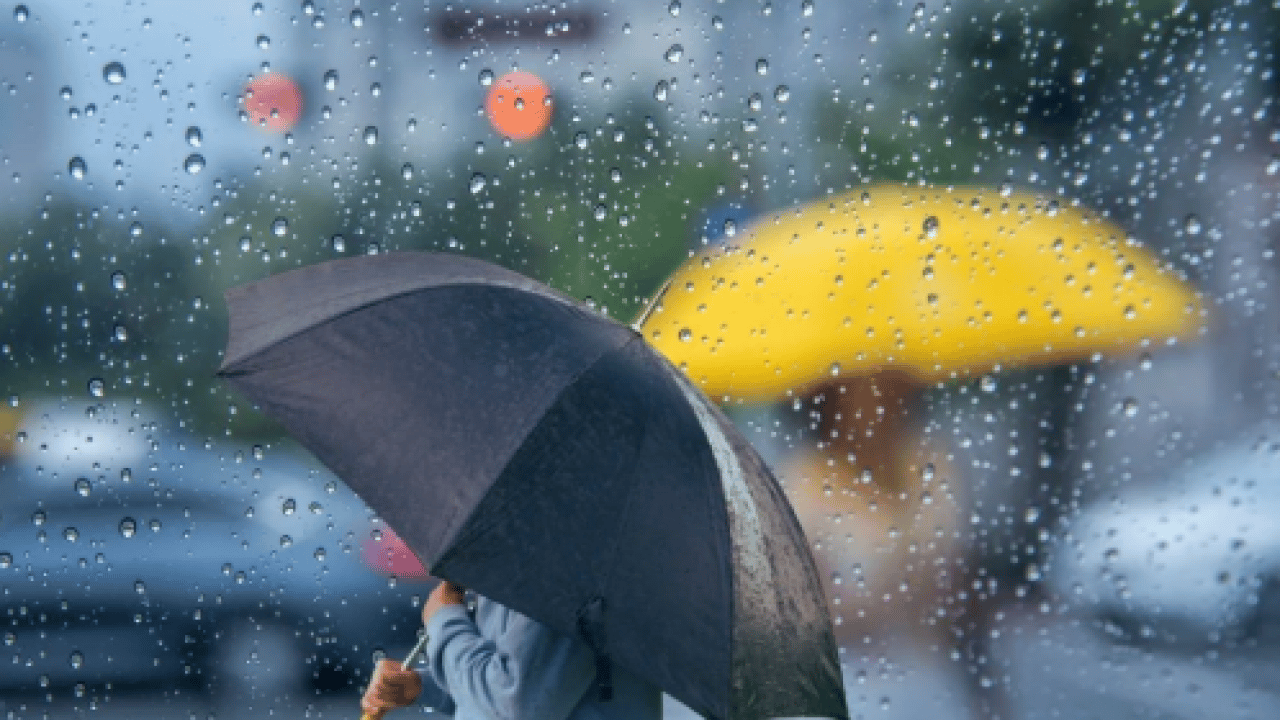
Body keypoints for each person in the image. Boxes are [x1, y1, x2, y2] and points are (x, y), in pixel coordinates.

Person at [361, 580, 663, 719]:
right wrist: (424, 687)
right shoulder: (519, 562)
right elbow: (511, 683)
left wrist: (445, 623)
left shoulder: (568, 572)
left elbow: (519, 700)